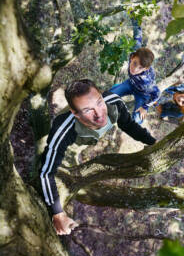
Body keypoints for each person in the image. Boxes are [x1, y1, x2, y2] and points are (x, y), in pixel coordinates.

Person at [40, 79, 156, 235]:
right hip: (72, 147)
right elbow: (46, 173)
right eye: (88, 110)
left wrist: (152, 142)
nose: (99, 113)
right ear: (75, 113)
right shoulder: (63, 129)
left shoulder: (113, 101)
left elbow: (128, 125)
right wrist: (58, 213)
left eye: (99, 102)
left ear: (102, 96)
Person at [109, 19, 160, 124]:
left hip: (142, 94)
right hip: (130, 84)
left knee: (137, 121)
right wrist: (134, 17)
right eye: (135, 63)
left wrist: (145, 107)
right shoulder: (134, 52)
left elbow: (157, 94)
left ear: (145, 69)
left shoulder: (147, 81)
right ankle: (118, 88)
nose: (135, 69)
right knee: (108, 96)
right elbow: (137, 35)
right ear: (132, 57)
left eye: (140, 68)